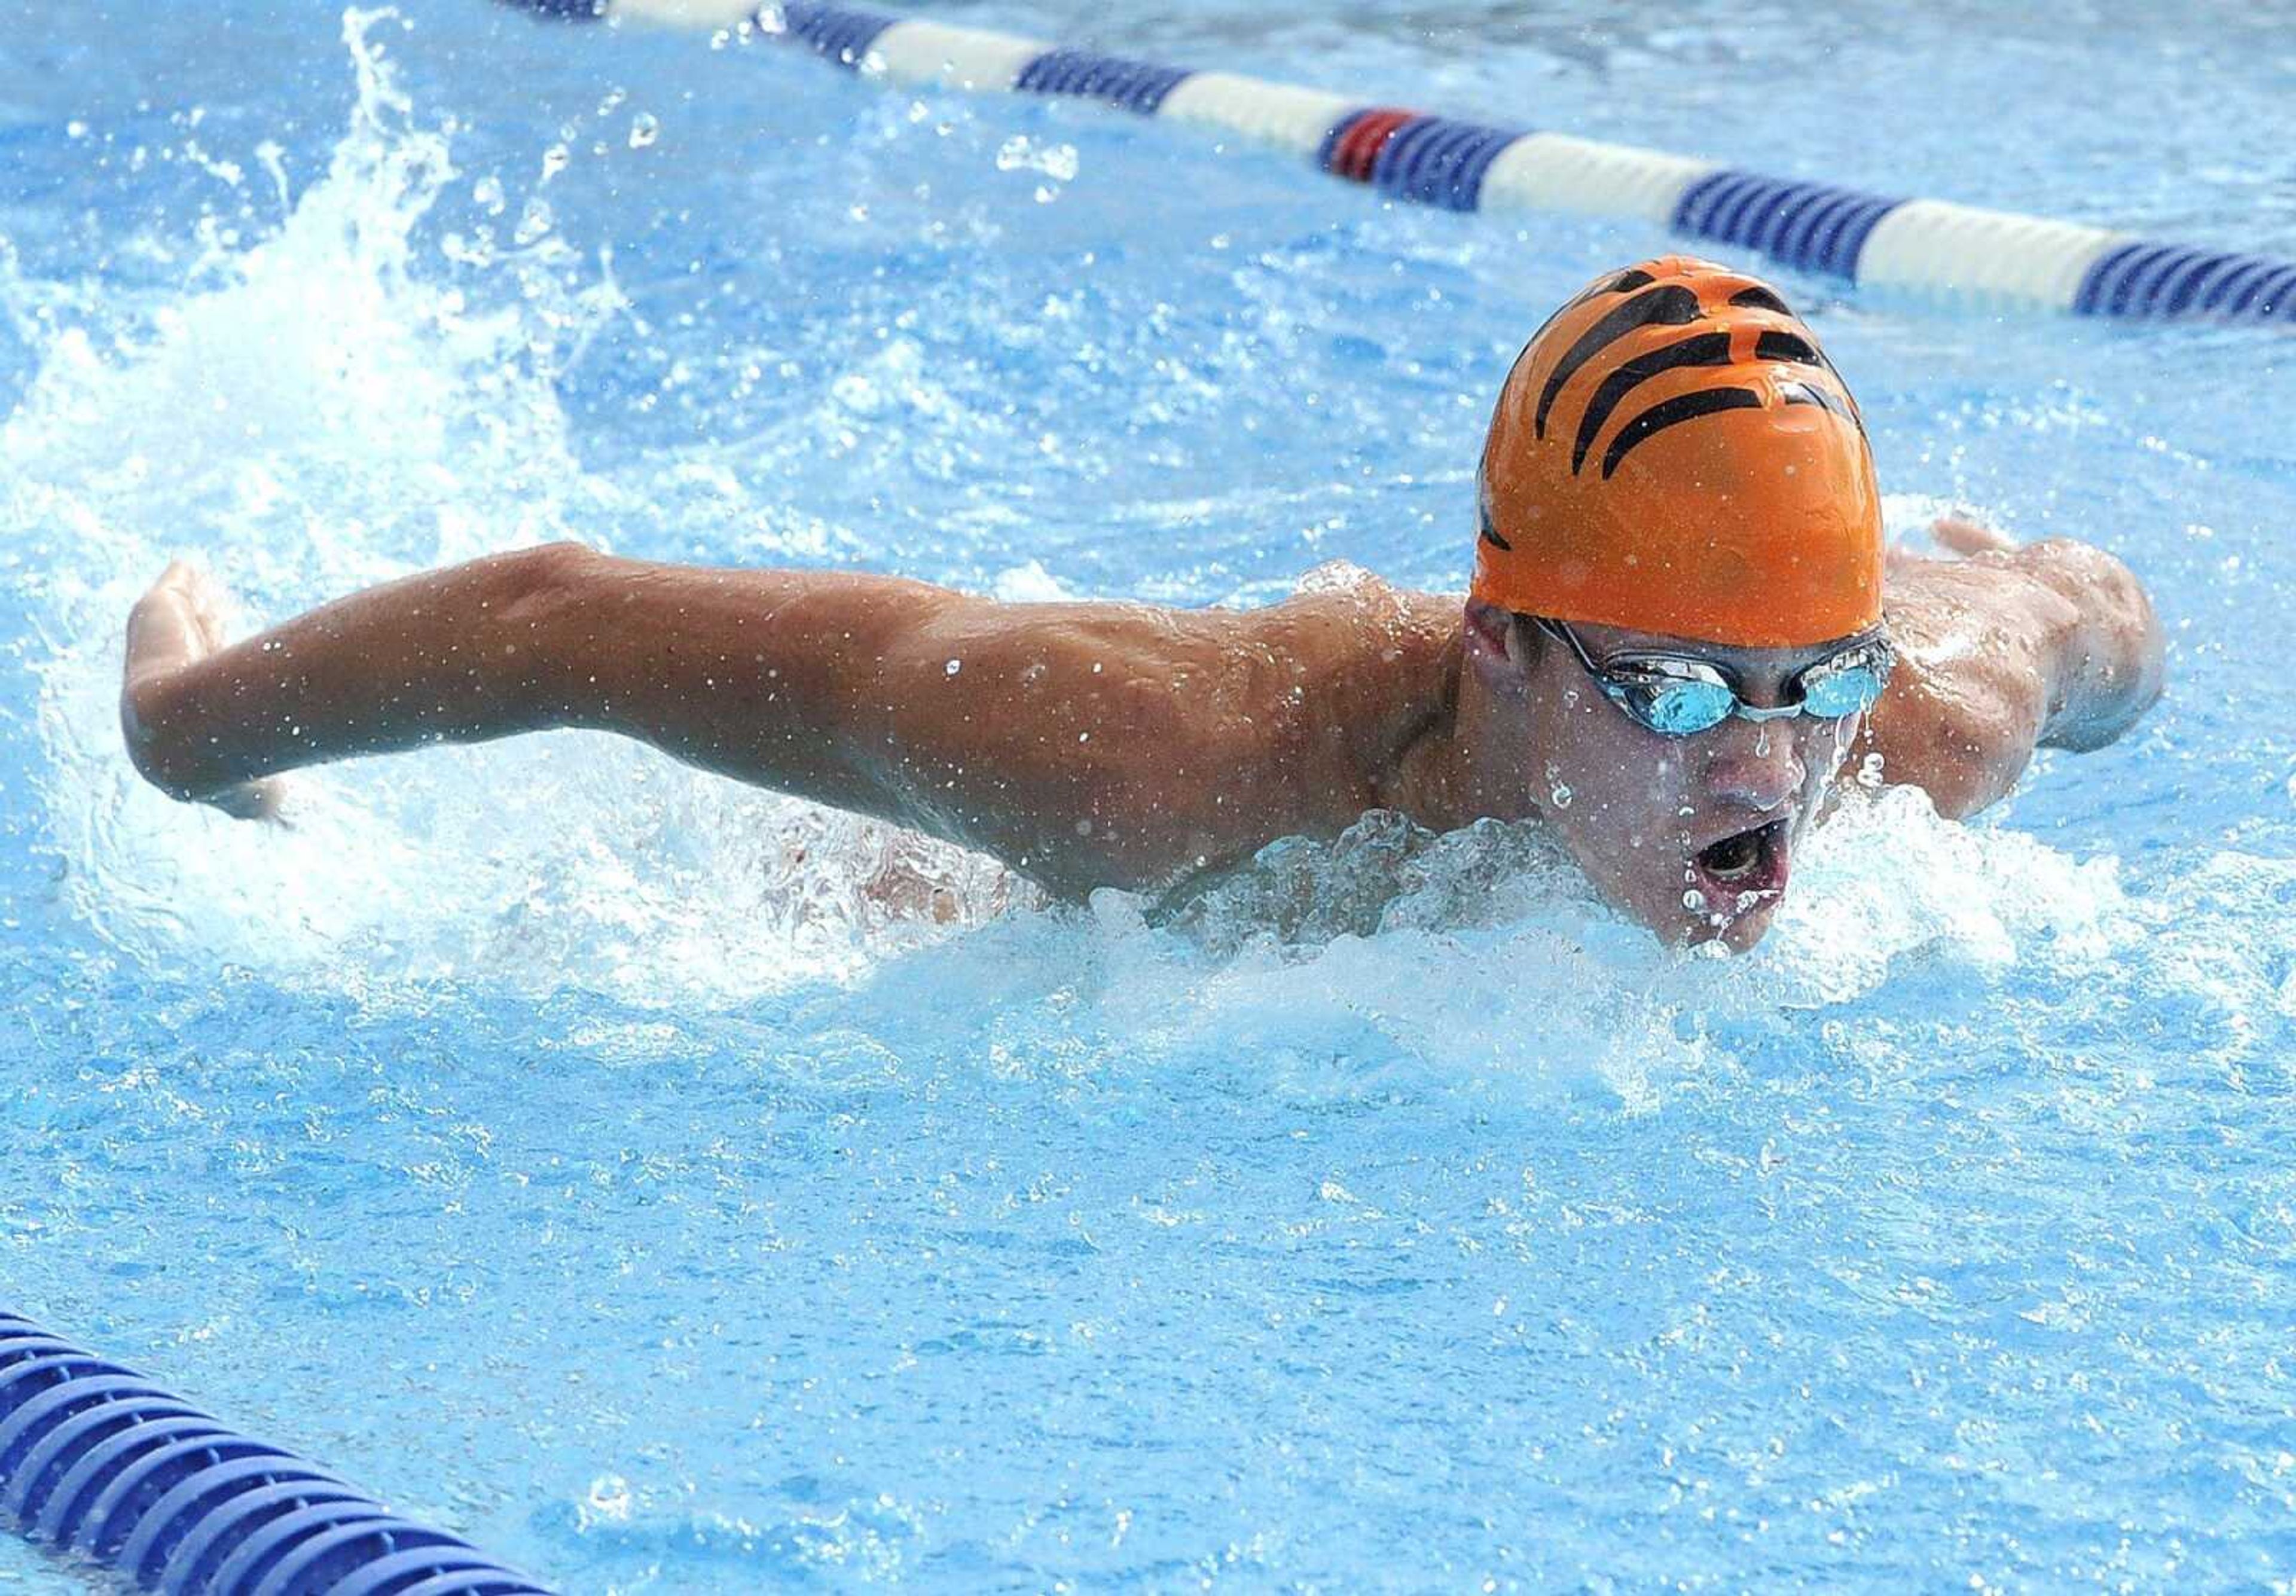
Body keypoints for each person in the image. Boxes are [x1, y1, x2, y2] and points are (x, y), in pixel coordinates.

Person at [118, 256, 2163, 950]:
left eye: (1816, 684)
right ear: (1501, 648)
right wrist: (190, 731)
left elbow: (2080, 608)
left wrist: (2000, 627)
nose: (1784, 774)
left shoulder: (1922, 732)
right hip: (1037, 899)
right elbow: (569, 617)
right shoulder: (1137, 755)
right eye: (1688, 703)